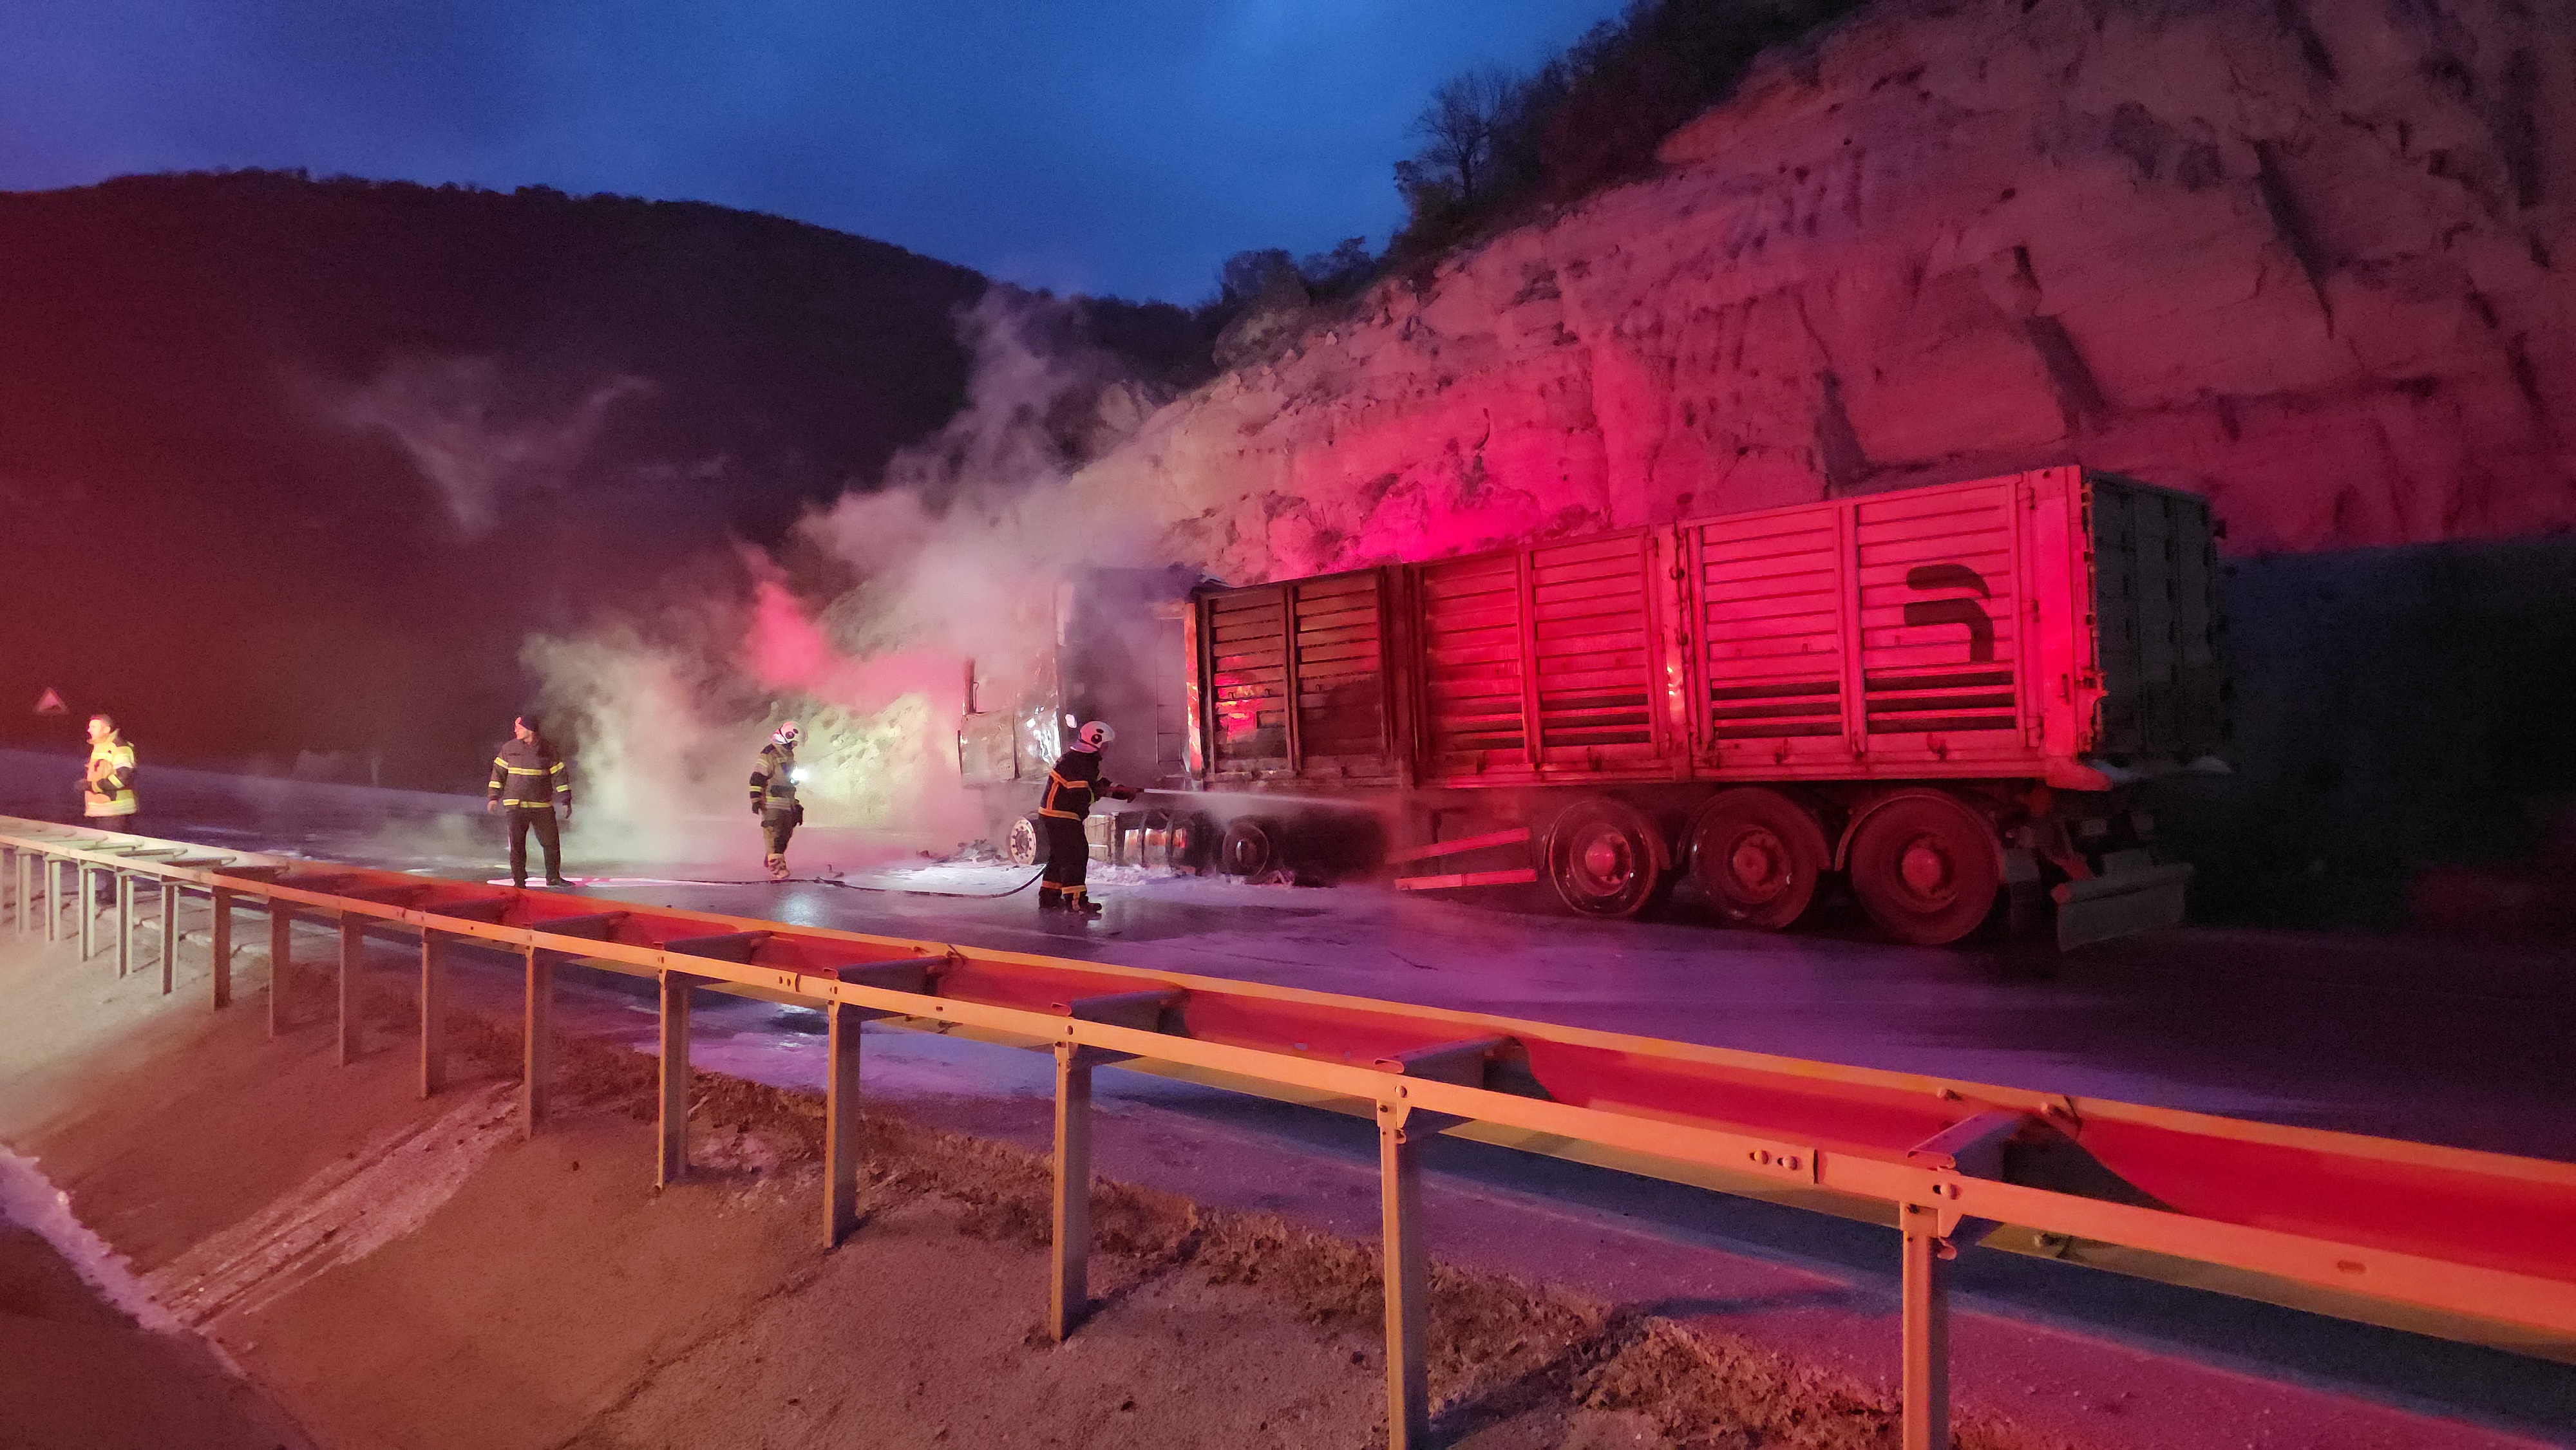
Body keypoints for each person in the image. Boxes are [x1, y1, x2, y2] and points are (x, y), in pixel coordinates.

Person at [1037, 719, 1135, 917]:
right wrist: (1098, 792)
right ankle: (1076, 902)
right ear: (1096, 742)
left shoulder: (1084, 760)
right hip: (1062, 815)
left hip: (1058, 814)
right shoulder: (1078, 762)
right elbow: (1081, 795)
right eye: (1105, 745)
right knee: (1075, 855)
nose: (1107, 749)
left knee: (1060, 857)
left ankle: (1049, 897)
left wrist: (1120, 791)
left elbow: (1098, 784)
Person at [486, 713, 571, 887]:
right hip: (515, 806)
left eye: (519, 727)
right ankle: (519, 880)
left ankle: (553, 877)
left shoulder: (548, 750)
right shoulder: (509, 748)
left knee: (551, 843)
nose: (515, 730)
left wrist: (566, 801)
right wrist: (493, 797)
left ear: (530, 729)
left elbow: (560, 776)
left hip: (541, 805)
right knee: (517, 846)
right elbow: (498, 775)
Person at [748, 720, 805, 882]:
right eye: (794, 741)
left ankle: (772, 859)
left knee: (785, 834)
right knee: (774, 835)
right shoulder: (769, 753)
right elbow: (757, 777)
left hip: (786, 802)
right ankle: (777, 868)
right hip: (772, 803)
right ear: (788, 736)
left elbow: (789, 781)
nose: (795, 745)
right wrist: (756, 799)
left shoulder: (788, 755)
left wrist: (795, 805)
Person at [79, 714, 140, 833]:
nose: (89, 730)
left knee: (113, 846)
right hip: (104, 808)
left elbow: (122, 778)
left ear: (106, 730)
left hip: (116, 809)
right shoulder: (101, 746)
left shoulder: (119, 747)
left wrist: (92, 786)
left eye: (94, 727)